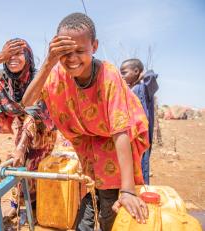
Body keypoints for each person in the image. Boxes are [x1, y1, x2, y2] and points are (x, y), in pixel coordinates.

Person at [21, 13, 150, 231]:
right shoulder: (55, 73)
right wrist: (49, 62)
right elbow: (27, 102)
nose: (72, 58)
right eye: (65, 52)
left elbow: (120, 131)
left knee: (111, 201)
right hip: (87, 141)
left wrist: (128, 190)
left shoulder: (108, 75)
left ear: (95, 46)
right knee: (91, 191)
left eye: (80, 51)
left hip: (116, 140)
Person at [0, 38, 57, 216]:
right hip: (20, 127)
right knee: (19, 166)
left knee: (33, 165)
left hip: (42, 130)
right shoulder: (3, 79)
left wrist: (21, 147)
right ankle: (19, 208)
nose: (12, 58)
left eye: (18, 53)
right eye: (9, 53)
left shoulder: (39, 77)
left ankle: (36, 209)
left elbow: (34, 111)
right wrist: (0, 57)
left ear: (28, 56)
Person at [120, 59, 159, 185]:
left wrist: (143, 75)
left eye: (124, 72)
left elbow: (151, 77)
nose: (122, 76)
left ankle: (141, 193)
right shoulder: (129, 89)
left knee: (141, 165)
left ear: (136, 71)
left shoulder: (143, 88)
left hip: (140, 137)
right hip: (129, 136)